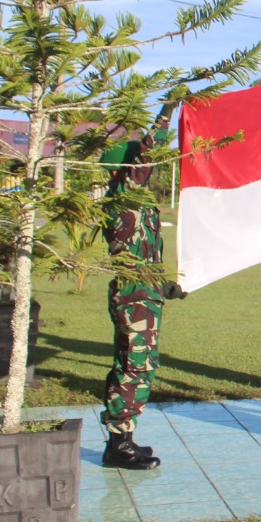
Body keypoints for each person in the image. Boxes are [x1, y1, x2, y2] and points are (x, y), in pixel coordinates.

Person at [100, 129, 185, 471]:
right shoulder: (121, 199)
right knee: (135, 366)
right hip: (133, 296)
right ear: (123, 170)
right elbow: (145, 155)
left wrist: (165, 287)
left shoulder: (141, 203)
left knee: (141, 364)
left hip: (145, 295)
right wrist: (167, 111)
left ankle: (124, 437)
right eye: (138, 165)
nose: (146, 170)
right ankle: (118, 444)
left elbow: (145, 257)